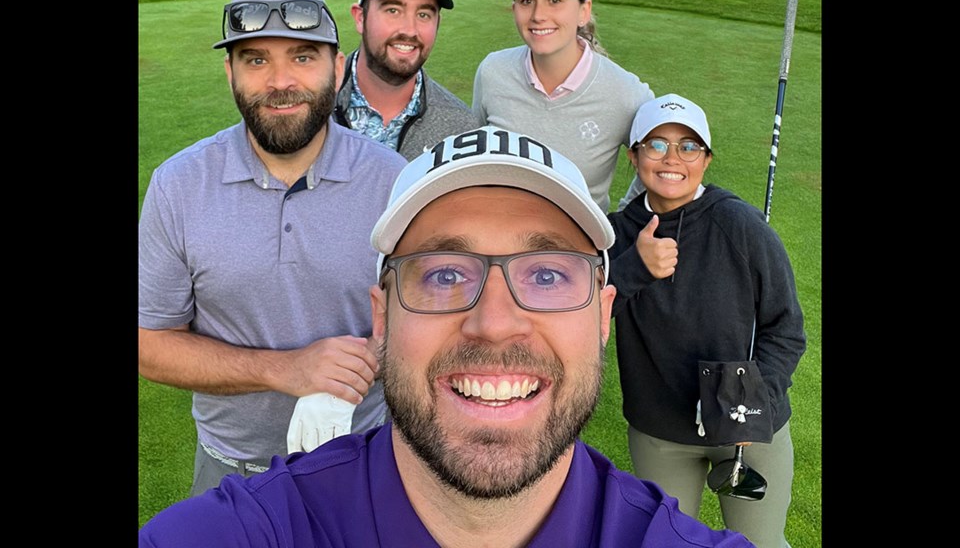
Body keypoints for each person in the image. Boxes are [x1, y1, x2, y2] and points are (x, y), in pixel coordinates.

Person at [138, 125, 755, 547]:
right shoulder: (262, 528)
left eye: (546, 274)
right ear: (382, 319)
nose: (494, 323)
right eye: (443, 274)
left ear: (601, 316)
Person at [138, 0, 407, 498]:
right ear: (229, 72)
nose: (280, 80)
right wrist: (286, 370)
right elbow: (149, 343)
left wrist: (379, 355)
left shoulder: (393, 180)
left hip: (366, 461)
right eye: (255, 60)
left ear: (336, 65)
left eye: (303, 56)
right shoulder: (178, 183)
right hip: (230, 473)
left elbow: (429, 317)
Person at [606, 94, 806, 548]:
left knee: (760, 543)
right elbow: (583, 318)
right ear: (634, 155)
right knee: (668, 543)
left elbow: (785, 328)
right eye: (656, 145)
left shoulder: (739, 223)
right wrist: (633, 267)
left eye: (688, 147)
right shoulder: (615, 233)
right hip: (661, 431)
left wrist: (761, 407)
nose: (672, 159)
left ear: (707, 159)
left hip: (748, 428)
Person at [471, 0, 654, 212]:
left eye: (555, 0)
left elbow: (660, 163)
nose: (537, 15)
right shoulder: (492, 71)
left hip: (577, 250)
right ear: (514, 9)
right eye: (526, 0)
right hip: (500, 242)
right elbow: (474, 157)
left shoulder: (626, 93)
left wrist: (623, 222)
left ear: (583, 11)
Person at [334, 0, 480, 160]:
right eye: (393, 10)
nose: (409, 30)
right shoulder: (311, 105)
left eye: (423, 15)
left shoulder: (461, 129)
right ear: (360, 18)